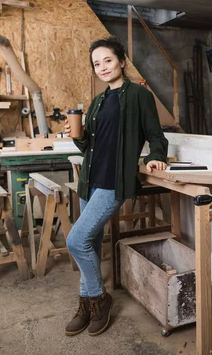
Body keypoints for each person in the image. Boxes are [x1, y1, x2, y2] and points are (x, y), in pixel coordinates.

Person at [63, 36, 168, 337]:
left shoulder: (138, 95)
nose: (103, 67)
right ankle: (86, 303)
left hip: (113, 183)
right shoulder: (98, 102)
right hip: (90, 181)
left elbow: (156, 135)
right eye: (97, 64)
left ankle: (99, 298)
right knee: (91, 244)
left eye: (107, 60)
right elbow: (89, 146)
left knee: (76, 241)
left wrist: (156, 157)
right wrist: (75, 133)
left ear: (121, 61)